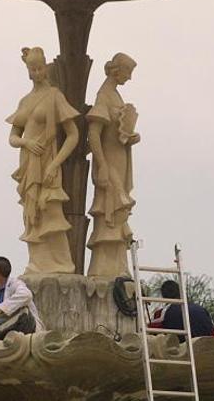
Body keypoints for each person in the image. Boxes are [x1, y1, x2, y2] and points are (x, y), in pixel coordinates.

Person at [7, 47, 80, 274]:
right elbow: (13, 137)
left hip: (48, 162)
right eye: (33, 69)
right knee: (32, 215)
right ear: (28, 71)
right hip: (29, 163)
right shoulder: (25, 101)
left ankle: (61, 263)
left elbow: (73, 135)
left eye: (40, 68)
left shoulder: (54, 96)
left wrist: (55, 163)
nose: (37, 72)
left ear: (46, 68)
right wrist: (26, 143)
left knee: (50, 211)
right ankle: (37, 262)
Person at [86, 53, 140, 277]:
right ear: (117, 71)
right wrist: (102, 165)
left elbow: (117, 131)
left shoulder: (115, 95)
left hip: (120, 159)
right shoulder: (104, 95)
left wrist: (130, 136)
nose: (129, 79)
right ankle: (104, 267)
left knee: (120, 210)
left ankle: (118, 265)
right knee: (112, 208)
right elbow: (93, 134)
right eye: (128, 73)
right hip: (109, 162)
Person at [148, 280, 214, 342]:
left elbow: (151, 333)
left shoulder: (163, 312)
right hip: (206, 350)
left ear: (163, 296)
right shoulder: (202, 310)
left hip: (183, 352)